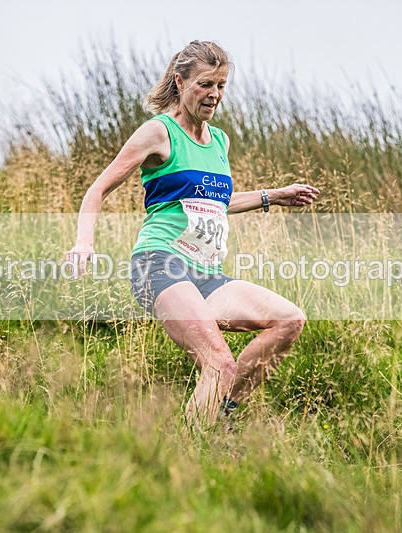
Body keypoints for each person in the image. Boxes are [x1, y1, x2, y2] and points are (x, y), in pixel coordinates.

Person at [67, 41, 319, 428]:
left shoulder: (219, 141)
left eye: (221, 85)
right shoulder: (158, 132)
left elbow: (215, 202)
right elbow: (97, 189)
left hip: (206, 273)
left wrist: (274, 196)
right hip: (159, 265)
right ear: (180, 82)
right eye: (205, 84)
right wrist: (84, 242)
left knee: (289, 320)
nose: (214, 94)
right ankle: (190, 449)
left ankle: (221, 415)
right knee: (218, 362)